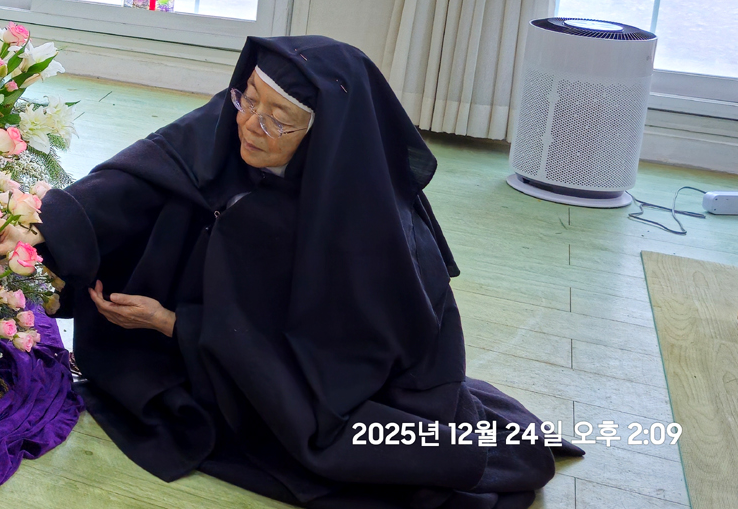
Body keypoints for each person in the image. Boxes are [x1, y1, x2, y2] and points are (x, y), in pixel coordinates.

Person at [31, 36, 579, 508]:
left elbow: (320, 371)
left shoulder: (367, 235)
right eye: (248, 98)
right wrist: (47, 227)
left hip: (337, 375)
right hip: (234, 335)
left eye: (279, 120)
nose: (251, 124)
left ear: (323, 136)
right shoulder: (240, 119)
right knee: (178, 201)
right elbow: (140, 174)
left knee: (343, 446)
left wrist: (177, 324)